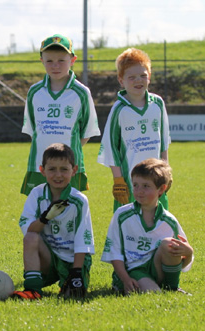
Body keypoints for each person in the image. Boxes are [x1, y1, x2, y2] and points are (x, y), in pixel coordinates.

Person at [21, 34, 100, 196]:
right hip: (39, 165)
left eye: (61, 61)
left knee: (70, 211)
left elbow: (86, 132)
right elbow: (33, 130)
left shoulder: (81, 93)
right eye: (49, 61)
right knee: (39, 210)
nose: (55, 65)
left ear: (72, 60)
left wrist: (65, 157)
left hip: (69, 166)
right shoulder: (34, 92)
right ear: (41, 60)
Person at [13, 143, 95, 299]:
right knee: (30, 238)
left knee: (73, 297)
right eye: (52, 169)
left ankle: (69, 280)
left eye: (64, 169)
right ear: (42, 170)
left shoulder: (79, 200)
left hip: (72, 260)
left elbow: (82, 239)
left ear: (74, 170)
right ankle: (33, 290)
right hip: (48, 257)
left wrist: (76, 272)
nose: (58, 175)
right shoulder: (37, 194)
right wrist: (45, 217)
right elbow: (29, 230)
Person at [101, 158, 193, 295]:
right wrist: (125, 279)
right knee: (154, 294)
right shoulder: (122, 215)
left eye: (146, 186)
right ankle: (151, 287)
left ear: (161, 189)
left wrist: (189, 253)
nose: (139, 191)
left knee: (170, 244)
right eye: (136, 185)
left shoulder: (169, 221)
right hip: (132, 271)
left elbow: (180, 262)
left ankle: (172, 288)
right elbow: (114, 253)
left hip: (157, 270)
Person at [97, 48, 170, 211]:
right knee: (129, 223)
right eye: (132, 77)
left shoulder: (157, 103)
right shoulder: (119, 109)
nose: (138, 80)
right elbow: (110, 147)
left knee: (158, 220)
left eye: (143, 75)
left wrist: (166, 167)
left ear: (149, 77)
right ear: (121, 80)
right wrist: (118, 180)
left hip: (156, 177)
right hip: (130, 181)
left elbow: (164, 140)